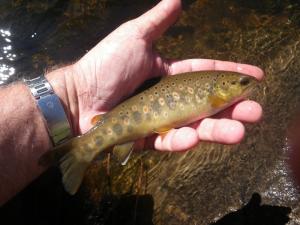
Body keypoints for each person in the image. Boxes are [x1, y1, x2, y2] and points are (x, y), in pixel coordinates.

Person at [0, 0, 263, 205]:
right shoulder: (215, 93)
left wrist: (71, 94)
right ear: (222, 87)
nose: (247, 84)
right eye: (242, 82)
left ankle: (76, 151)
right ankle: (79, 151)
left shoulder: (216, 91)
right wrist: (75, 90)